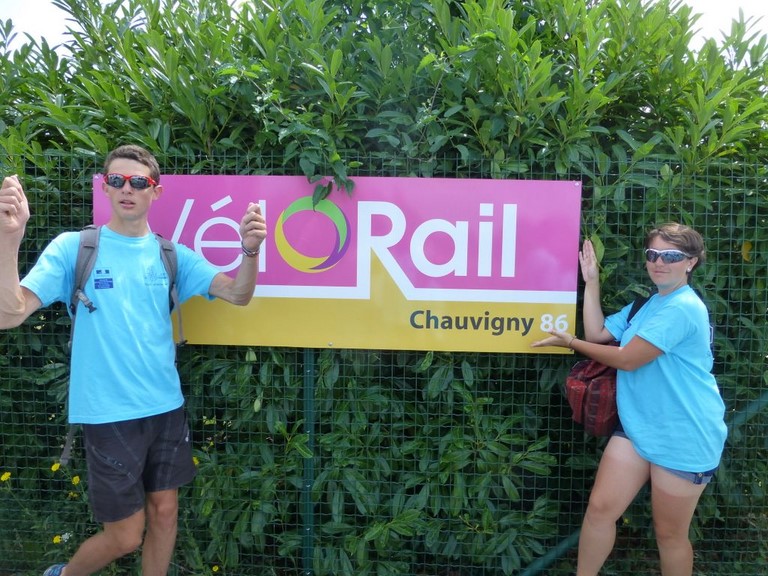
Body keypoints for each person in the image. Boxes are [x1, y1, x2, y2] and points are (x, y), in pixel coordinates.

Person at [0, 145, 267, 576]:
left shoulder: (171, 255)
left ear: (154, 191)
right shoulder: (74, 249)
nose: (127, 188)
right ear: (104, 187)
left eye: (139, 181)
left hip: (166, 408)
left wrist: (250, 251)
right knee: (125, 536)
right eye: (117, 180)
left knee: (165, 514)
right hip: (107, 413)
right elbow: (9, 314)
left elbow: (238, 294)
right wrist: (9, 238)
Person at [531, 223, 728, 576]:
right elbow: (598, 333)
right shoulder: (647, 305)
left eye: (671, 256)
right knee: (600, 510)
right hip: (638, 427)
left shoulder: (683, 307)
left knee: (669, 536)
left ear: (691, 262)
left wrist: (571, 343)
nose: (659, 262)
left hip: (684, 434)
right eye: (653, 254)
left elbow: (627, 359)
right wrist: (592, 281)